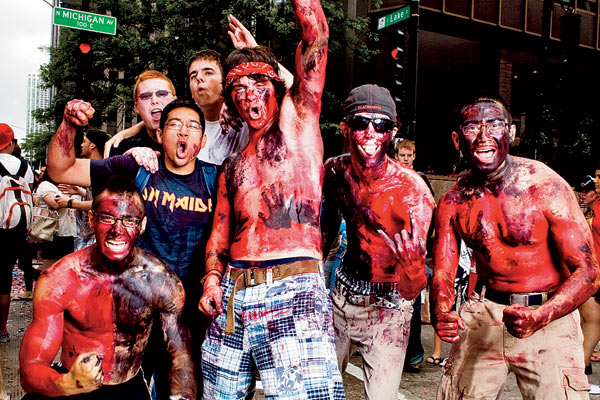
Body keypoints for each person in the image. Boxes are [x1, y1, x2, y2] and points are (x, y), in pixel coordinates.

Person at [197, 1, 344, 398]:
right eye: (238, 90)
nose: (248, 97)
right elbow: (220, 233)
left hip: (292, 285)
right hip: (233, 290)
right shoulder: (232, 165)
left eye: (257, 85)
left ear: (276, 87)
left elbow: (316, 35)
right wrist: (212, 281)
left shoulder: (299, 126)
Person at [431, 94, 599, 399]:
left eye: (494, 125)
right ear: (457, 139)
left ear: (510, 133)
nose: (484, 136)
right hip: (485, 311)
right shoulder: (453, 202)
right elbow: (443, 270)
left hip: (550, 316)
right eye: (472, 127)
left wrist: (541, 315)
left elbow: (588, 271)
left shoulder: (546, 186)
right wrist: (441, 311)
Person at [46, 97, 215, 398]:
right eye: (174, 125)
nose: (183, 132)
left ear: (202, 140)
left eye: (192, 127)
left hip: (190, 316)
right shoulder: (135, 168)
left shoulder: (215, 179)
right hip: (132, 314)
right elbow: (62, 170)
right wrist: (69, 125)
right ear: (160, 134)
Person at [19, 176, 196, 400]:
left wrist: (182, 393)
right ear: (92, 219)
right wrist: (66, 383)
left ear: (142, 225)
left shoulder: (161, 283)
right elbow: (30, 370)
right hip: (72, 382)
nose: (117, 230)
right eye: (107, 218)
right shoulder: (60, 280)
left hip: (128, 387)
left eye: (129, 220)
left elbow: (180, 355)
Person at [321, 84, 434, 399]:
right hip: (342, 297)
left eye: (381, 125)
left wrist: (412, 269)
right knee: (320, 390)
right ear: (346, 128)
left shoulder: (412, 192)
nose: (371, 132)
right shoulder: (336, 171)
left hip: (389, 307)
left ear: (393, 132)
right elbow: (325, 232)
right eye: (361, 123)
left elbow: (413, 289)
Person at [105, 16, 292, 166]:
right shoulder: (186, 120)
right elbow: (159, 119)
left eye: (207, 72)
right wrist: (125, 133)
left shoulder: (244, 112)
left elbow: (294, 90)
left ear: (225, 80)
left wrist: (254, 49)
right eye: (193, 75)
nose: (199, 78)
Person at [391, 137, 435, 372]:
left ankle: (414, 354)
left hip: (414, 250)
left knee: (414, 305)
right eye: (402, 155)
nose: (405, 159)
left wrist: (423, 245)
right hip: (392, 249)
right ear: (396, 156)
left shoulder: (421, 180)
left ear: (414, 156)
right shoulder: (390, 179)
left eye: (409, 155)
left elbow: (431, 214)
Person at [0, 123, 34, 343]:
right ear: (11, 143)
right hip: (15, 228)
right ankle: (2, 329)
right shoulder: (25, 166)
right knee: (5, 278)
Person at [107, 70, 176, 157]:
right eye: (146, 96)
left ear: (174, 101)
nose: (154, 101)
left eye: (162, 94)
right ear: (136, 107)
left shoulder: (192, 138)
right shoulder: (121, 149)